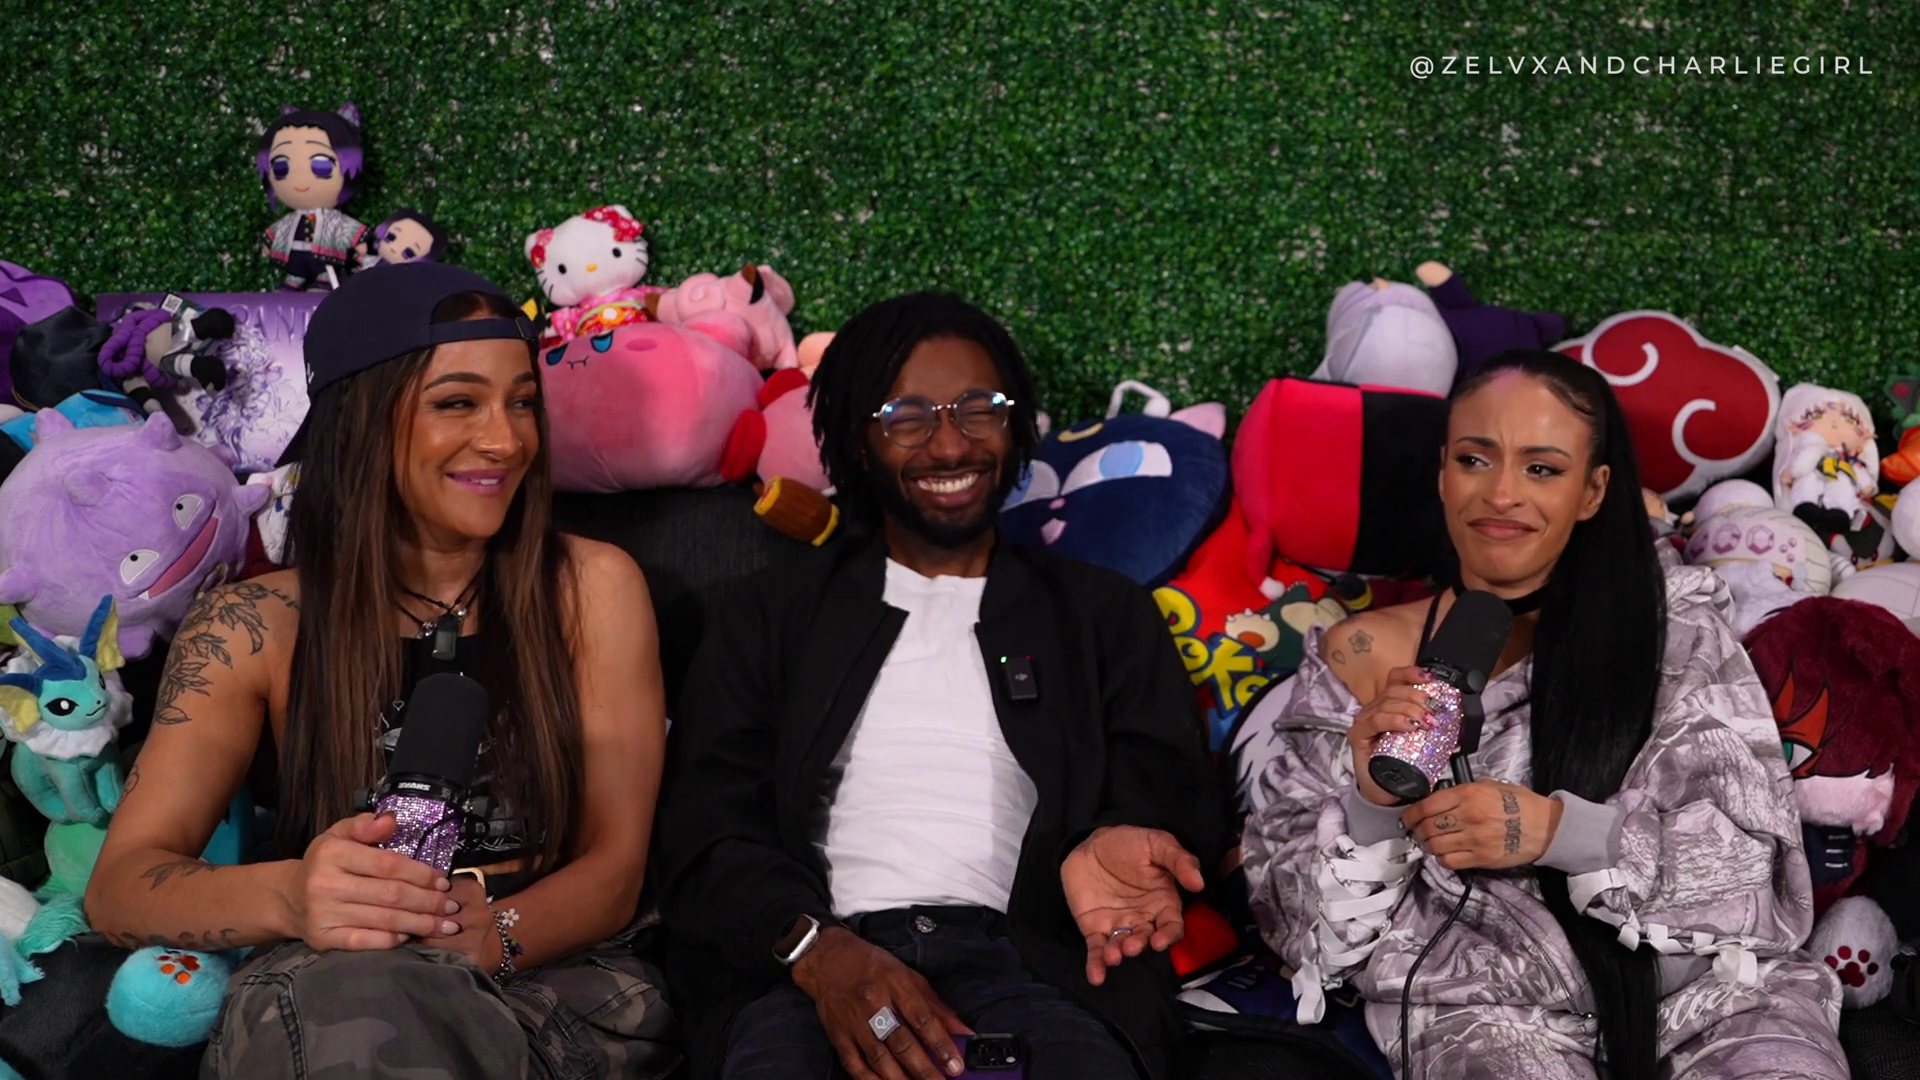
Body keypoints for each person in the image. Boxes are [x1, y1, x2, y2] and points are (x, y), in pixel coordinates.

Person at [83, 262, 678, 1079]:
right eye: (458, 402)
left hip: (552, 979)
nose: (507, 440)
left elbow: (616, 868)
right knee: (354, 1006)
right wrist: (293, 894)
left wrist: (492, 935)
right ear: (360, 419)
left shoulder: (591, 588)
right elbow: (120, 887)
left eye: (521, 402)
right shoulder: (250, 626)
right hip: (335, 983)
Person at [652, 292, 1222, 1080]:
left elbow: (1168, 783)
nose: (950, 445)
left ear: (1016, 425)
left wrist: (1113, 836)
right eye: (907, 416)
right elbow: (705, 831)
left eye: (979, 409)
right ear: (856, 440)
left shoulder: (1103, 613)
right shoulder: (768, 614)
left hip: (1038, 967)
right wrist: (817, 950)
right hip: (813, 972)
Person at [1240, 349, 1846, 1079]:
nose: (1501, 494)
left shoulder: (1677, 629)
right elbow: (1286, 909)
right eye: (1475, 459)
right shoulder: (1358, 653)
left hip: (1712, 991)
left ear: (1593, 491)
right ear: (1442, 473)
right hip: (1478, 1009)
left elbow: (1754, 869)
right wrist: (1371, 806)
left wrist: (1560, 833)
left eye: (1541, 468)